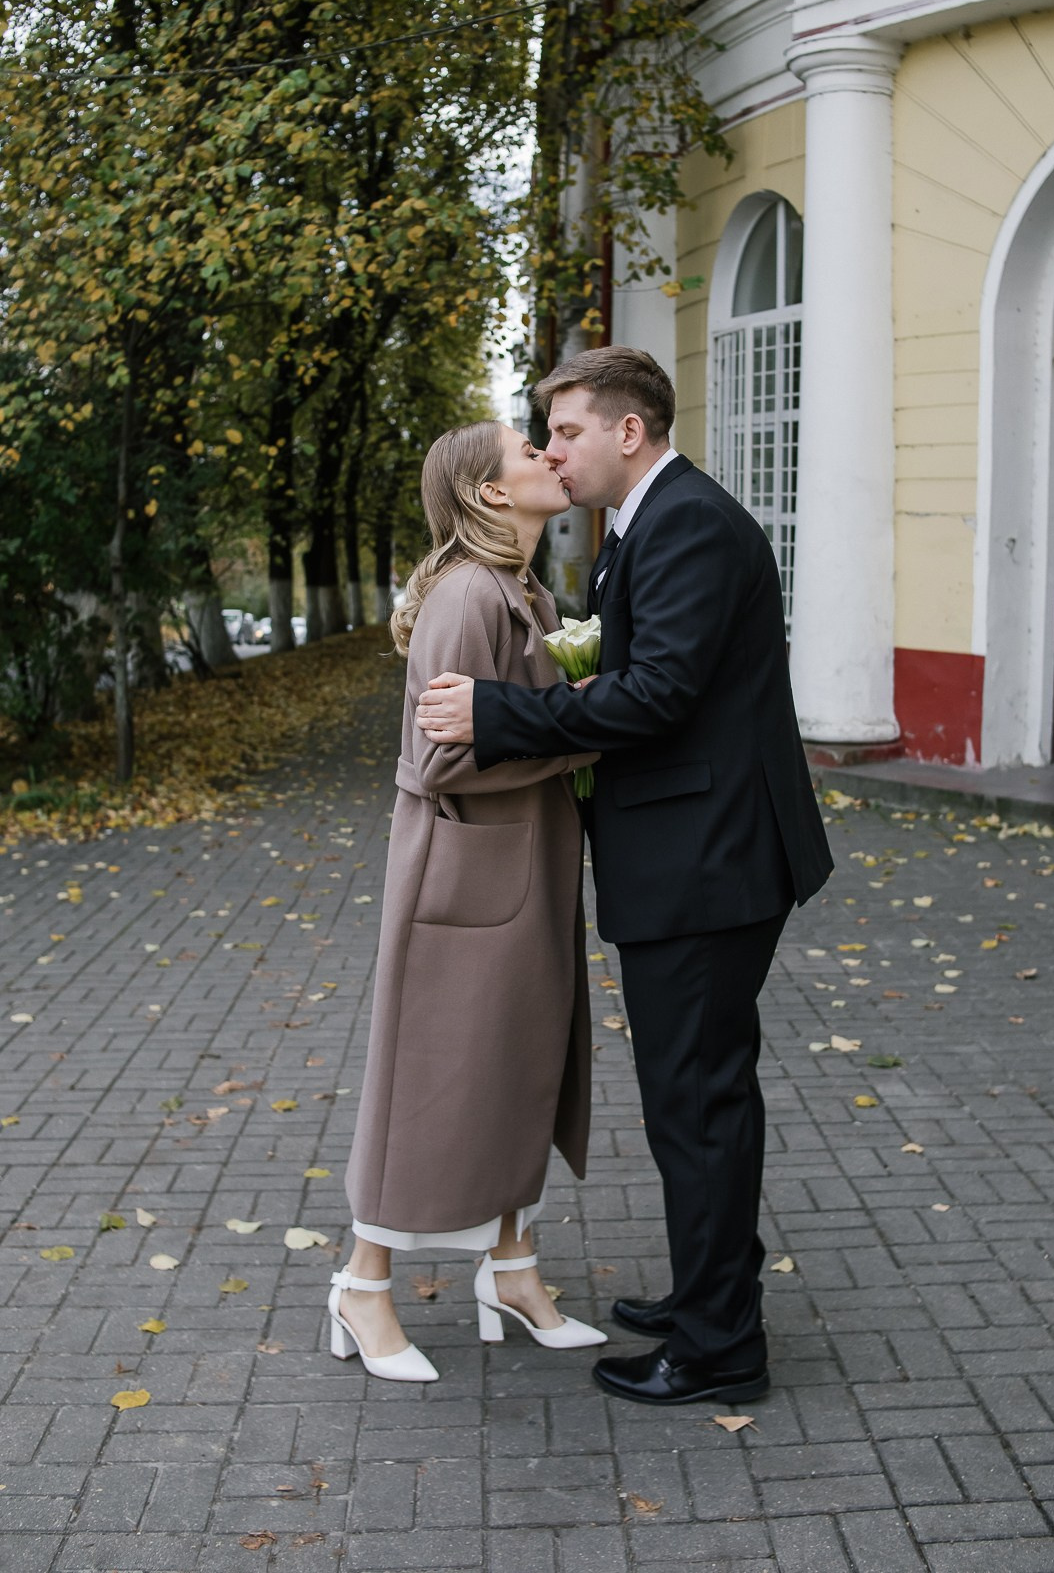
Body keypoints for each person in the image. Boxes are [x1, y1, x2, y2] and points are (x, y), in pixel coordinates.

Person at [416, 346, 834, 1408]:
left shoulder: (685, 523)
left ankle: (720, 1348)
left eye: (566, 431)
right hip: (696, 855)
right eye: (547, 436)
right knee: (695, 1099)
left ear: (628, 431)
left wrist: (498, 714)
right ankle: (708, 1295)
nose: (554, 451)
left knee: (697, 1105)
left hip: (711, 861)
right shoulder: (646, 523)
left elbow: (657, 693)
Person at [331, 419, 607, 1384]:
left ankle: (513, 1270)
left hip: (523, 870)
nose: (549, 456)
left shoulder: (525, 590)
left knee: (519, 1067)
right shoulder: (466, 594)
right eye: (529, 451)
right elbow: (438, 757)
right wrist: (582, 738)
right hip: (462, 879)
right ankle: (363, 1286)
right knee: (430, 1084)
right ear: (491, 493)